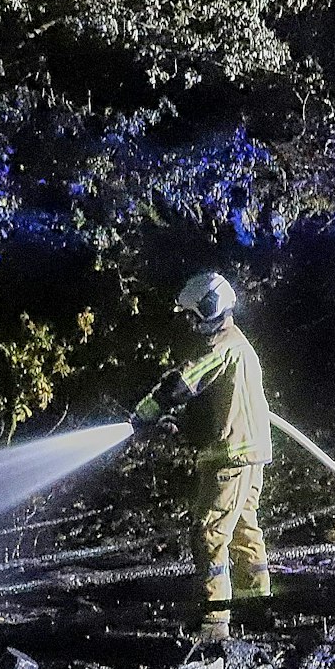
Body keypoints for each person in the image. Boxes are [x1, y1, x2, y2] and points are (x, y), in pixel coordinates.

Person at [131, 272, 273, 641]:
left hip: (232, 456)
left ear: (209, 309)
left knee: (209, 532)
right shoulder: (240, 345)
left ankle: (214, 623)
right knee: (244, 528)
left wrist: (145, 411)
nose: (191, 323)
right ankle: (258, 608)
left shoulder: (222, 346)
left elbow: (184, 383)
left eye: (193, 315)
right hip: (249, 451)